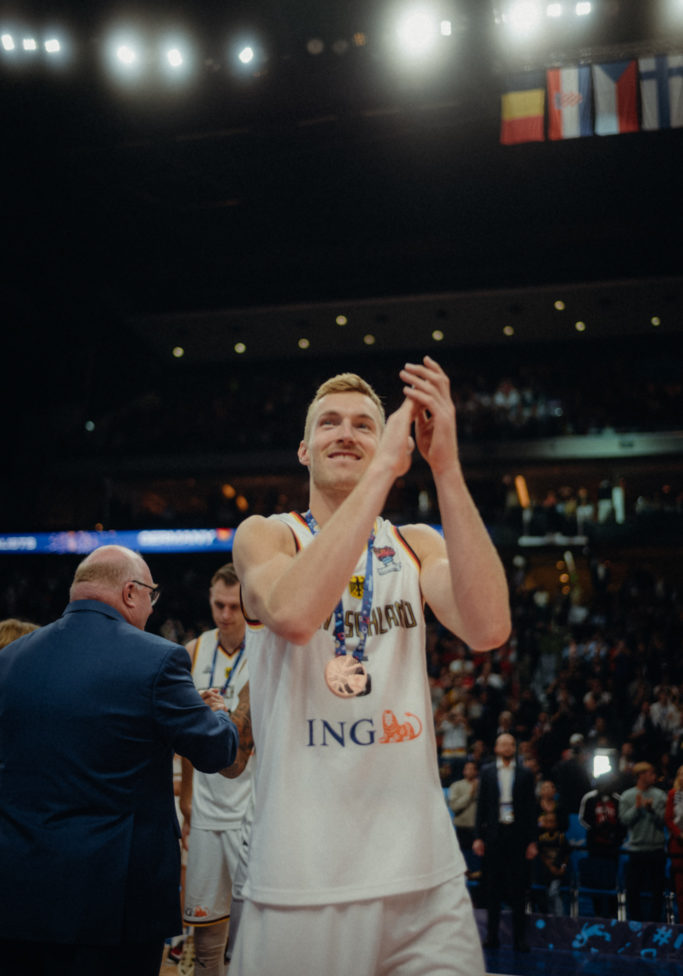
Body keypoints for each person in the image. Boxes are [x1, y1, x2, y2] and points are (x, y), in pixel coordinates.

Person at [231, 357, 511, 976]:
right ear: (304, 450)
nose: (347, 433)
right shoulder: (266, 536)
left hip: (423, 876)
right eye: (328, 423)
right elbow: (296, 613)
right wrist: (384, 467)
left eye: (364, 424)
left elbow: (489, 627)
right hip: (304, 877)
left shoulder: (416, 543)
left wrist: (447, 469)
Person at [0, 545, 242, 976]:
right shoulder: (158, 658)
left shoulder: (10, 659)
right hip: (114, 899)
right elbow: (214, 751)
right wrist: (218, 715)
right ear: (131, 593)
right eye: (152, 596)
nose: (152, 608)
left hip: (21, 891)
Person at [179, 563, 253, 976]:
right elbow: (188, 737)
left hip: (249, 808)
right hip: (207, 808)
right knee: (205, 931)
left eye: (234, 606)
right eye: (218, 605)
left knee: (249, 928)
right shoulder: (192, 650)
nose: (225, 614)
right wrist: (188, 797)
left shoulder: (264, 649)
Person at [473, 732, 538, 952]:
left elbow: (531, 809)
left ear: (515, 748)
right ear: (496, 748)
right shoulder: (488, 771)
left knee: (518, 889)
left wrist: (532, 841)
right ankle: (492, 937)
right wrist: (478, 837)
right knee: (492, 888)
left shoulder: (526, 774)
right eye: (503, 744)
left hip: (517, 836)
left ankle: (519, 939)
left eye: (511, 744)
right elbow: (481, 806)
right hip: (494, 835)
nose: (507, 747)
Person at [618, 760, 667, 921]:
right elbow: (624, 820)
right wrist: (637, 808)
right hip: (636, 850)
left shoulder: (660, 796)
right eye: (651, 773)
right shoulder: (627, 796)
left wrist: (651, 811)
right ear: (641, 775)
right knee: (633, 889)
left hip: (656, 849)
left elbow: (663, 821)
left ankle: (655, 922)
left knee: (657, 890)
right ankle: (636, 923)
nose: (654, 776)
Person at [578, 774, 626, 918]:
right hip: (595, 847)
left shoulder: (618, 799)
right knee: (596, 881)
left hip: (612, 848)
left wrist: (614, 835)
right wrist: (596, 829)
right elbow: (583, 819)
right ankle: (597, 913)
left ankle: (612, 915)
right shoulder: (590, 798)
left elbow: (623, 822)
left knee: (611, 881)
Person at [531, 811, 570, 916]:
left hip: (558, 875)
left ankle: (558, 919)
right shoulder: (541, 839)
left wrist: (562, 867)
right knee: (540, 894)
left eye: (552, 822)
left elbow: (566, 855)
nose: (549, 824)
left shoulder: (561, 838)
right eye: (547, 822)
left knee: (553, 892)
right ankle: (546, 918)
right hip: (543, 875)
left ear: (557, 823)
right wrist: (549, 866)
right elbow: (541, 856)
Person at [664, 764, 683, 923]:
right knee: (680, 887)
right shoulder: (672, 794)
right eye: (680, 774)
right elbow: (668, 819)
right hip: (678, 845)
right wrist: (679, 834)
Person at [448, 760, 479, 852]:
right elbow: (454, 807)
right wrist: (470, 794)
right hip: (462, 829)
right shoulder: (456, 786)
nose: (469, 771)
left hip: (479, 829)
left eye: (472, 769)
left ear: (476, 771)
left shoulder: (482, 785)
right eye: (467, 769)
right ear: (463, 771)